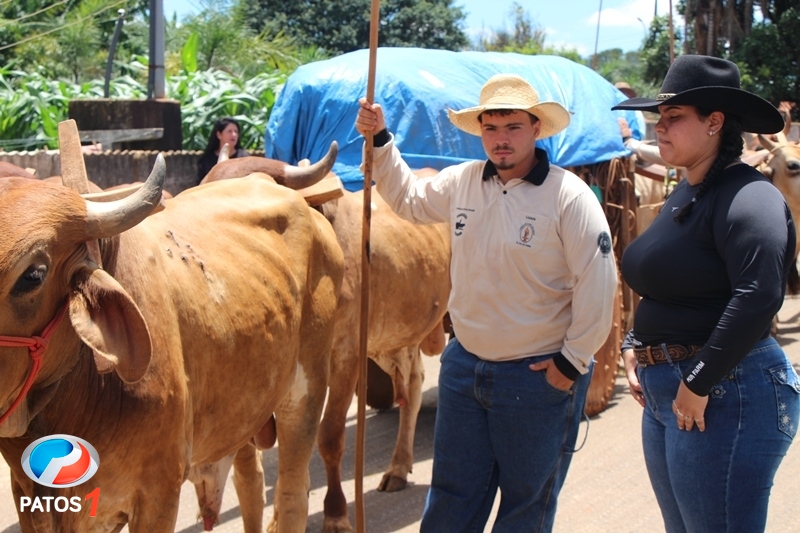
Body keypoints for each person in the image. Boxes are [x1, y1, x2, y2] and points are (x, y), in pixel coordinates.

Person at [355, 73, 618, 532]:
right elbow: (409, 201)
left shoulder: (569, 196)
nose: (501, 139)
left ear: (536, 128)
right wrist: (380, 139)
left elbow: (599, 284)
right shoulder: (463, 182)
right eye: (491, 128)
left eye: (513, 127)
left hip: (536, 376)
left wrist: (570, 363)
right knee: (451, 498)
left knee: (524, 506)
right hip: (464, 369)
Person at [613, 54, 800, 533]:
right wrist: (637, 344)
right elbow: (665, 285)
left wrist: (698, 381)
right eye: (659, 117)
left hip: (727, 389)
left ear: (714, 122)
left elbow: (759, 296)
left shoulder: (750, 197)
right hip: (680, 390)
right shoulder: (688, 192)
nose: (660, 127)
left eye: (674, 117)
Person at [197, 117, 249, 183]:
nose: (234, 135)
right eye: (229, 131)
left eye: (236, 131)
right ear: (219, 135)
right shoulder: (206, 161)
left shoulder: (244, 158)